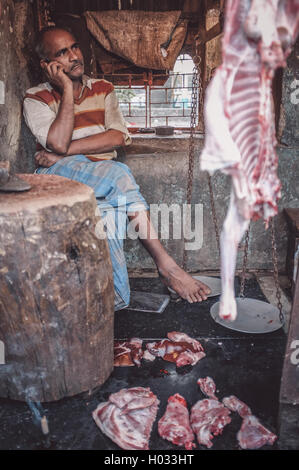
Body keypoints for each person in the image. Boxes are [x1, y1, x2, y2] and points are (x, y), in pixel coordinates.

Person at [23, 26, 210, 311]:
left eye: (74, 47)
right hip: (58, 178)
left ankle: (116, 300)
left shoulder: (103, 88)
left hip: (101, 180)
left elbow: (117, 136)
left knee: (110, 217)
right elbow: (58, 141)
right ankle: (167, 266)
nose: (74, 56)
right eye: (62, 53)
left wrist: (61, 153)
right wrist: (67, 93)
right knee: (120, 174)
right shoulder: (35, 98)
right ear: (46, 65)